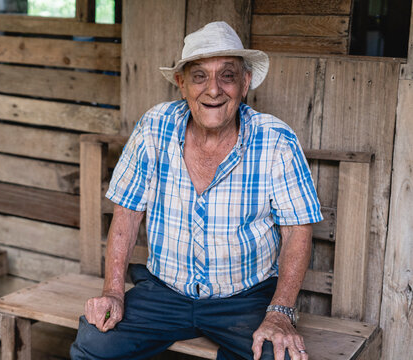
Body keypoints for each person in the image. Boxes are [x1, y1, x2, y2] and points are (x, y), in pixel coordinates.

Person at [70, 21, 322, 360]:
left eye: (227, 76)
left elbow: (297, 231)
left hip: (244, 298)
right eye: (200, 76)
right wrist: (113, 292)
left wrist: (280, 312)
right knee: (93, 346)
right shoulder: (154, 127)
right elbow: (127, 214)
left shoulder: (276, 140)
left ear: (245, 82)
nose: (214, 90)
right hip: (165, 292)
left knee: (284, 357)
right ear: (182, 84)